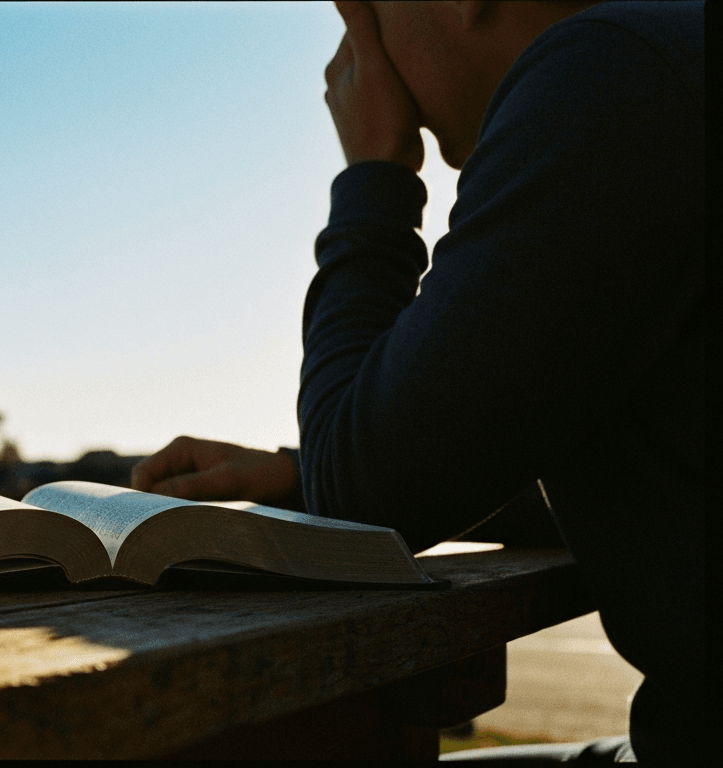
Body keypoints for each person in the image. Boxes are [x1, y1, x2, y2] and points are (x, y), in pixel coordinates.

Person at [131, 1, 703, 762]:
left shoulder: (606, 70)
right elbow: (651, 479)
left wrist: (375, 174)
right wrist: (301, 478)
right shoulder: (668, 52)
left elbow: (367, 497)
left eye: (364, 11)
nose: (349, 59)